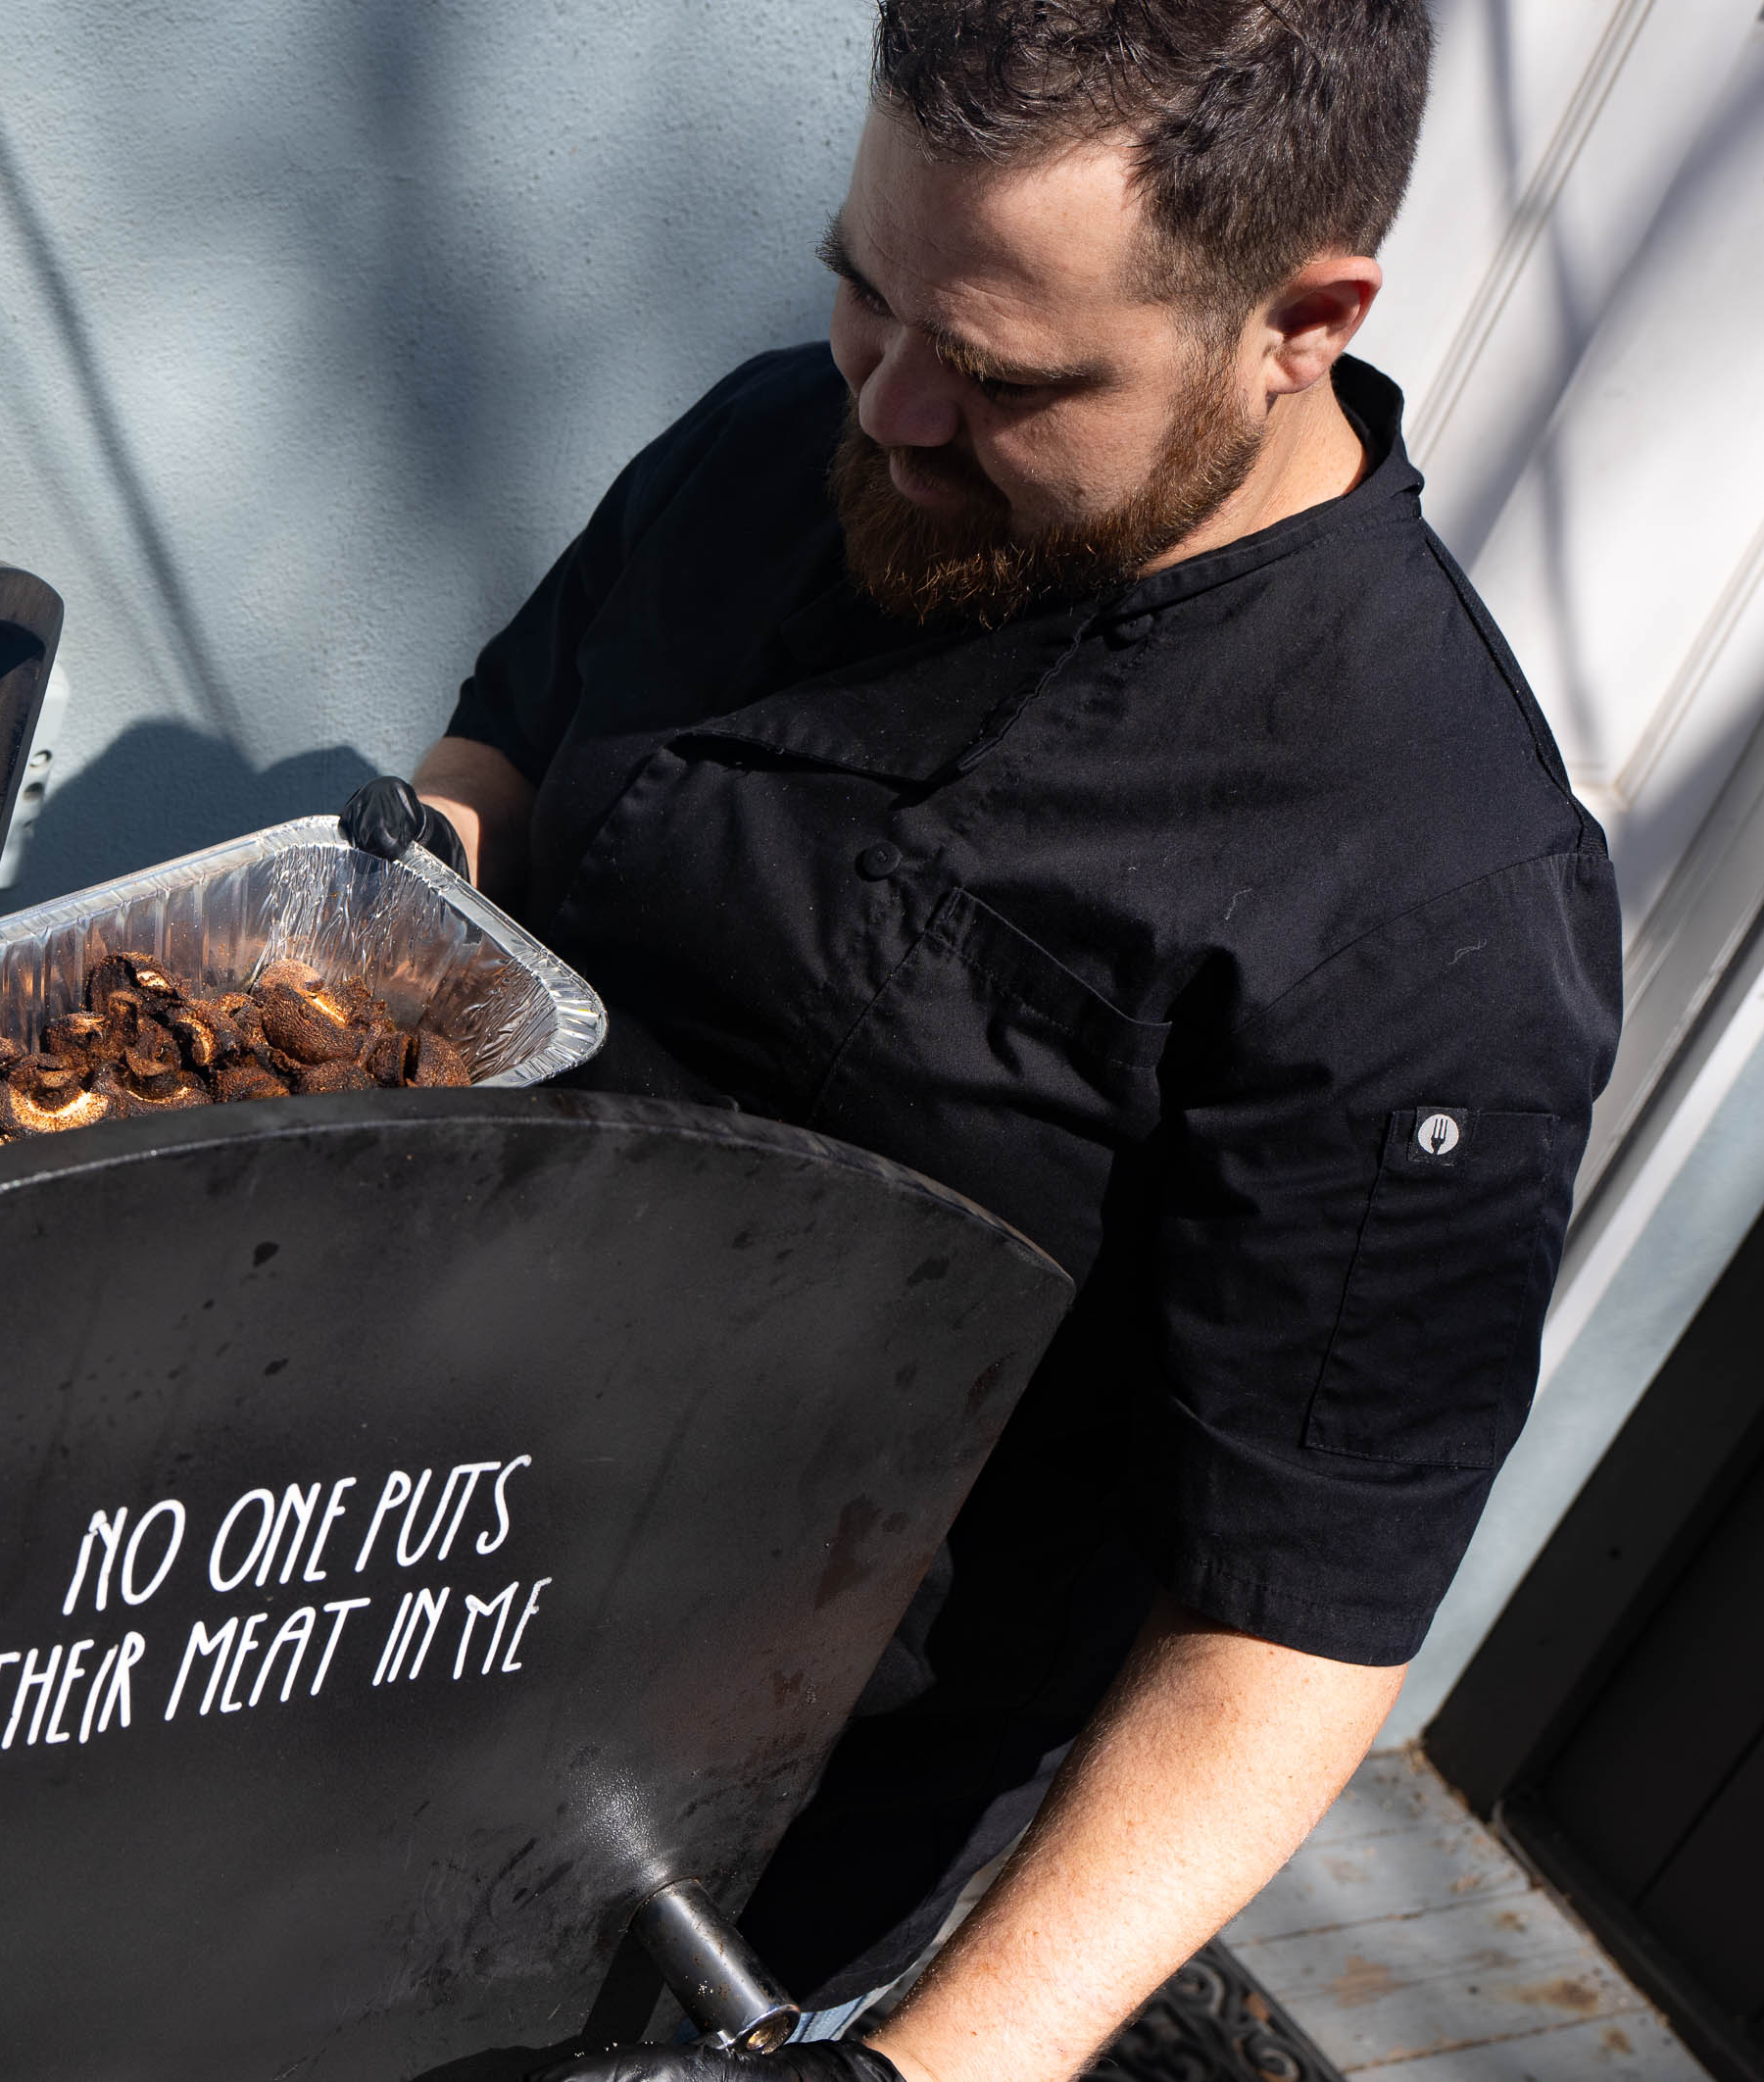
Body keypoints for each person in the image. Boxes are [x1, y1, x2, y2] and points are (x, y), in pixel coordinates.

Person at [342, 4, 1620, 2078]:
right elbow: (502, 745)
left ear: (1301, 318)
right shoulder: (788, 433)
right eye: (860, 290)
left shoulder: (1423, 908)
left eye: (1009, 379)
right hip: (368, 1503)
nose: (894, 409)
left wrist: (940, 2062)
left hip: (720, 1794)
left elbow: (1283, 1634)